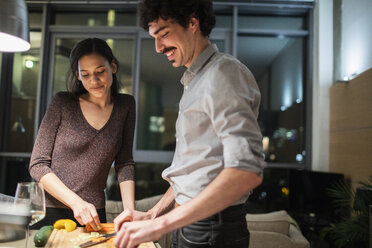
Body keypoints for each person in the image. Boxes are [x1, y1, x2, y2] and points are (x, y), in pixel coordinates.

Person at [113, 0, 266, 247]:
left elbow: (246, 171)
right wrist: (153, 214)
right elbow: (195, 171)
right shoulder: (195, 80)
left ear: (193, 23)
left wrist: (159, 225)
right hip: (192, 224)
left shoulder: (223, 74)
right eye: (154, 37)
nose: (158, 47)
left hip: (211, 228)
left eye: (163, 35)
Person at [29, 38, 136, 231]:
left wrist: (130, 211)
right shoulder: (62, 103)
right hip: (50, 211)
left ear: (113, 66)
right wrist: (76, 202)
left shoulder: (126, 106)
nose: (93, 81)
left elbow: (125, 162)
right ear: (77, 75)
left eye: (100, 72)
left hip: (94, 214)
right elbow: (38, 164)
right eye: (85, 74)